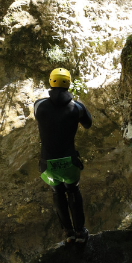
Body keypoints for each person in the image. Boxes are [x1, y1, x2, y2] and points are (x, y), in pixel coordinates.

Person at [34, 67, 92, 244]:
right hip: (69, 163)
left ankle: (68, 233)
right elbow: (88, 124)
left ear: (51, 82)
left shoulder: (39, 105)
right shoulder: (77, 108)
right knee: (73, 190)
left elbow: (42, 118)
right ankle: (80, 232)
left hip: (47, 165)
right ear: (69, 83)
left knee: (57, 192)